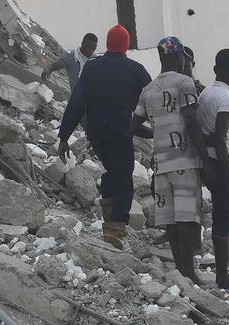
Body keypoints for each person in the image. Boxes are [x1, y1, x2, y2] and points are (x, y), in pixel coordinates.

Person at [58, 25, 151, 249]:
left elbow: (76, 103)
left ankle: (109, 220)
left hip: (97, 135)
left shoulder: (91, 68)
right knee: (124, 180)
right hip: (120, 133)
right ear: (126, 45)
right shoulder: (135, 70)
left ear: (107, 43)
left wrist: (64, 137)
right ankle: (114, 234)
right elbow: (154, 98)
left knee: (112, 173)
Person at [133, 36, 209, 284]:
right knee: (187, 218)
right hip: (185, 159)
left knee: (171, 220)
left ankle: (180, 270)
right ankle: (189, 273)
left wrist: (157, 134)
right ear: (178, 56)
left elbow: (133, 126)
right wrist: (204, 155)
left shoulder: (148, 90)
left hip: (160, 163)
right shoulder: (184, 83)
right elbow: (191, 118)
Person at [198, 49, 229, 290]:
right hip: (223, 163)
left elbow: (205, 135)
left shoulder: (206, 93)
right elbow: (219, 137)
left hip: (212, 161)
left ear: (215, 69)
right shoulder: (226, 98)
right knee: (225, 217)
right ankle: (222, 275)